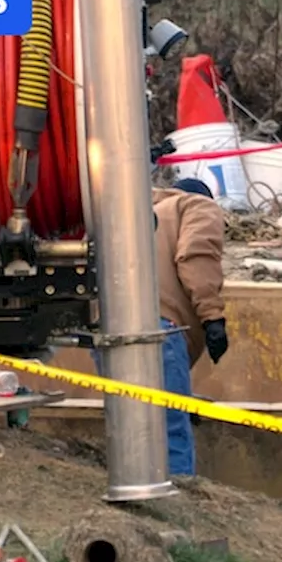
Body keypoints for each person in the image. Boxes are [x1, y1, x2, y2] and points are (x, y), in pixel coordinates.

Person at [92, 176, 229, 477]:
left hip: (106, 329)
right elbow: (196, 257)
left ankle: (137, 501)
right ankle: (177, 503)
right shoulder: (198, 205)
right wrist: (213, 317)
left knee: (131, 428)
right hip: (157, 330)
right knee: (170, 429)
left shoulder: (133, 210)